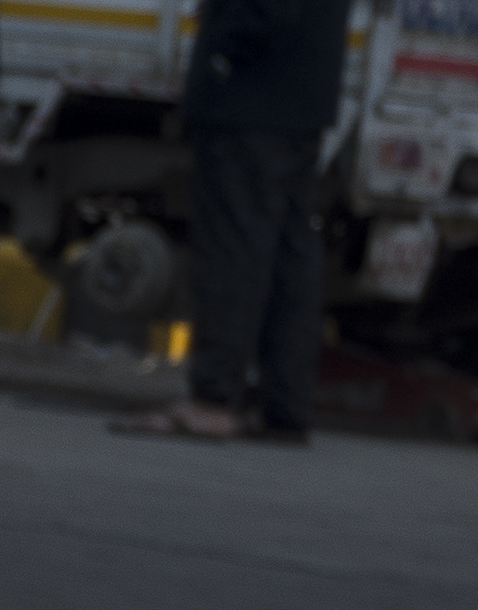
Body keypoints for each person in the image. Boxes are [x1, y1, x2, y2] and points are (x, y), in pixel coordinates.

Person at [117, 0, 344, 443]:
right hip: (301, 92)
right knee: (289, 255)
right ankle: (285, 405)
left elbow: (265, 13)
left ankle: (212, 399)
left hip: (252, 91)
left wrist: (223, 43)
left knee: (233, 249)